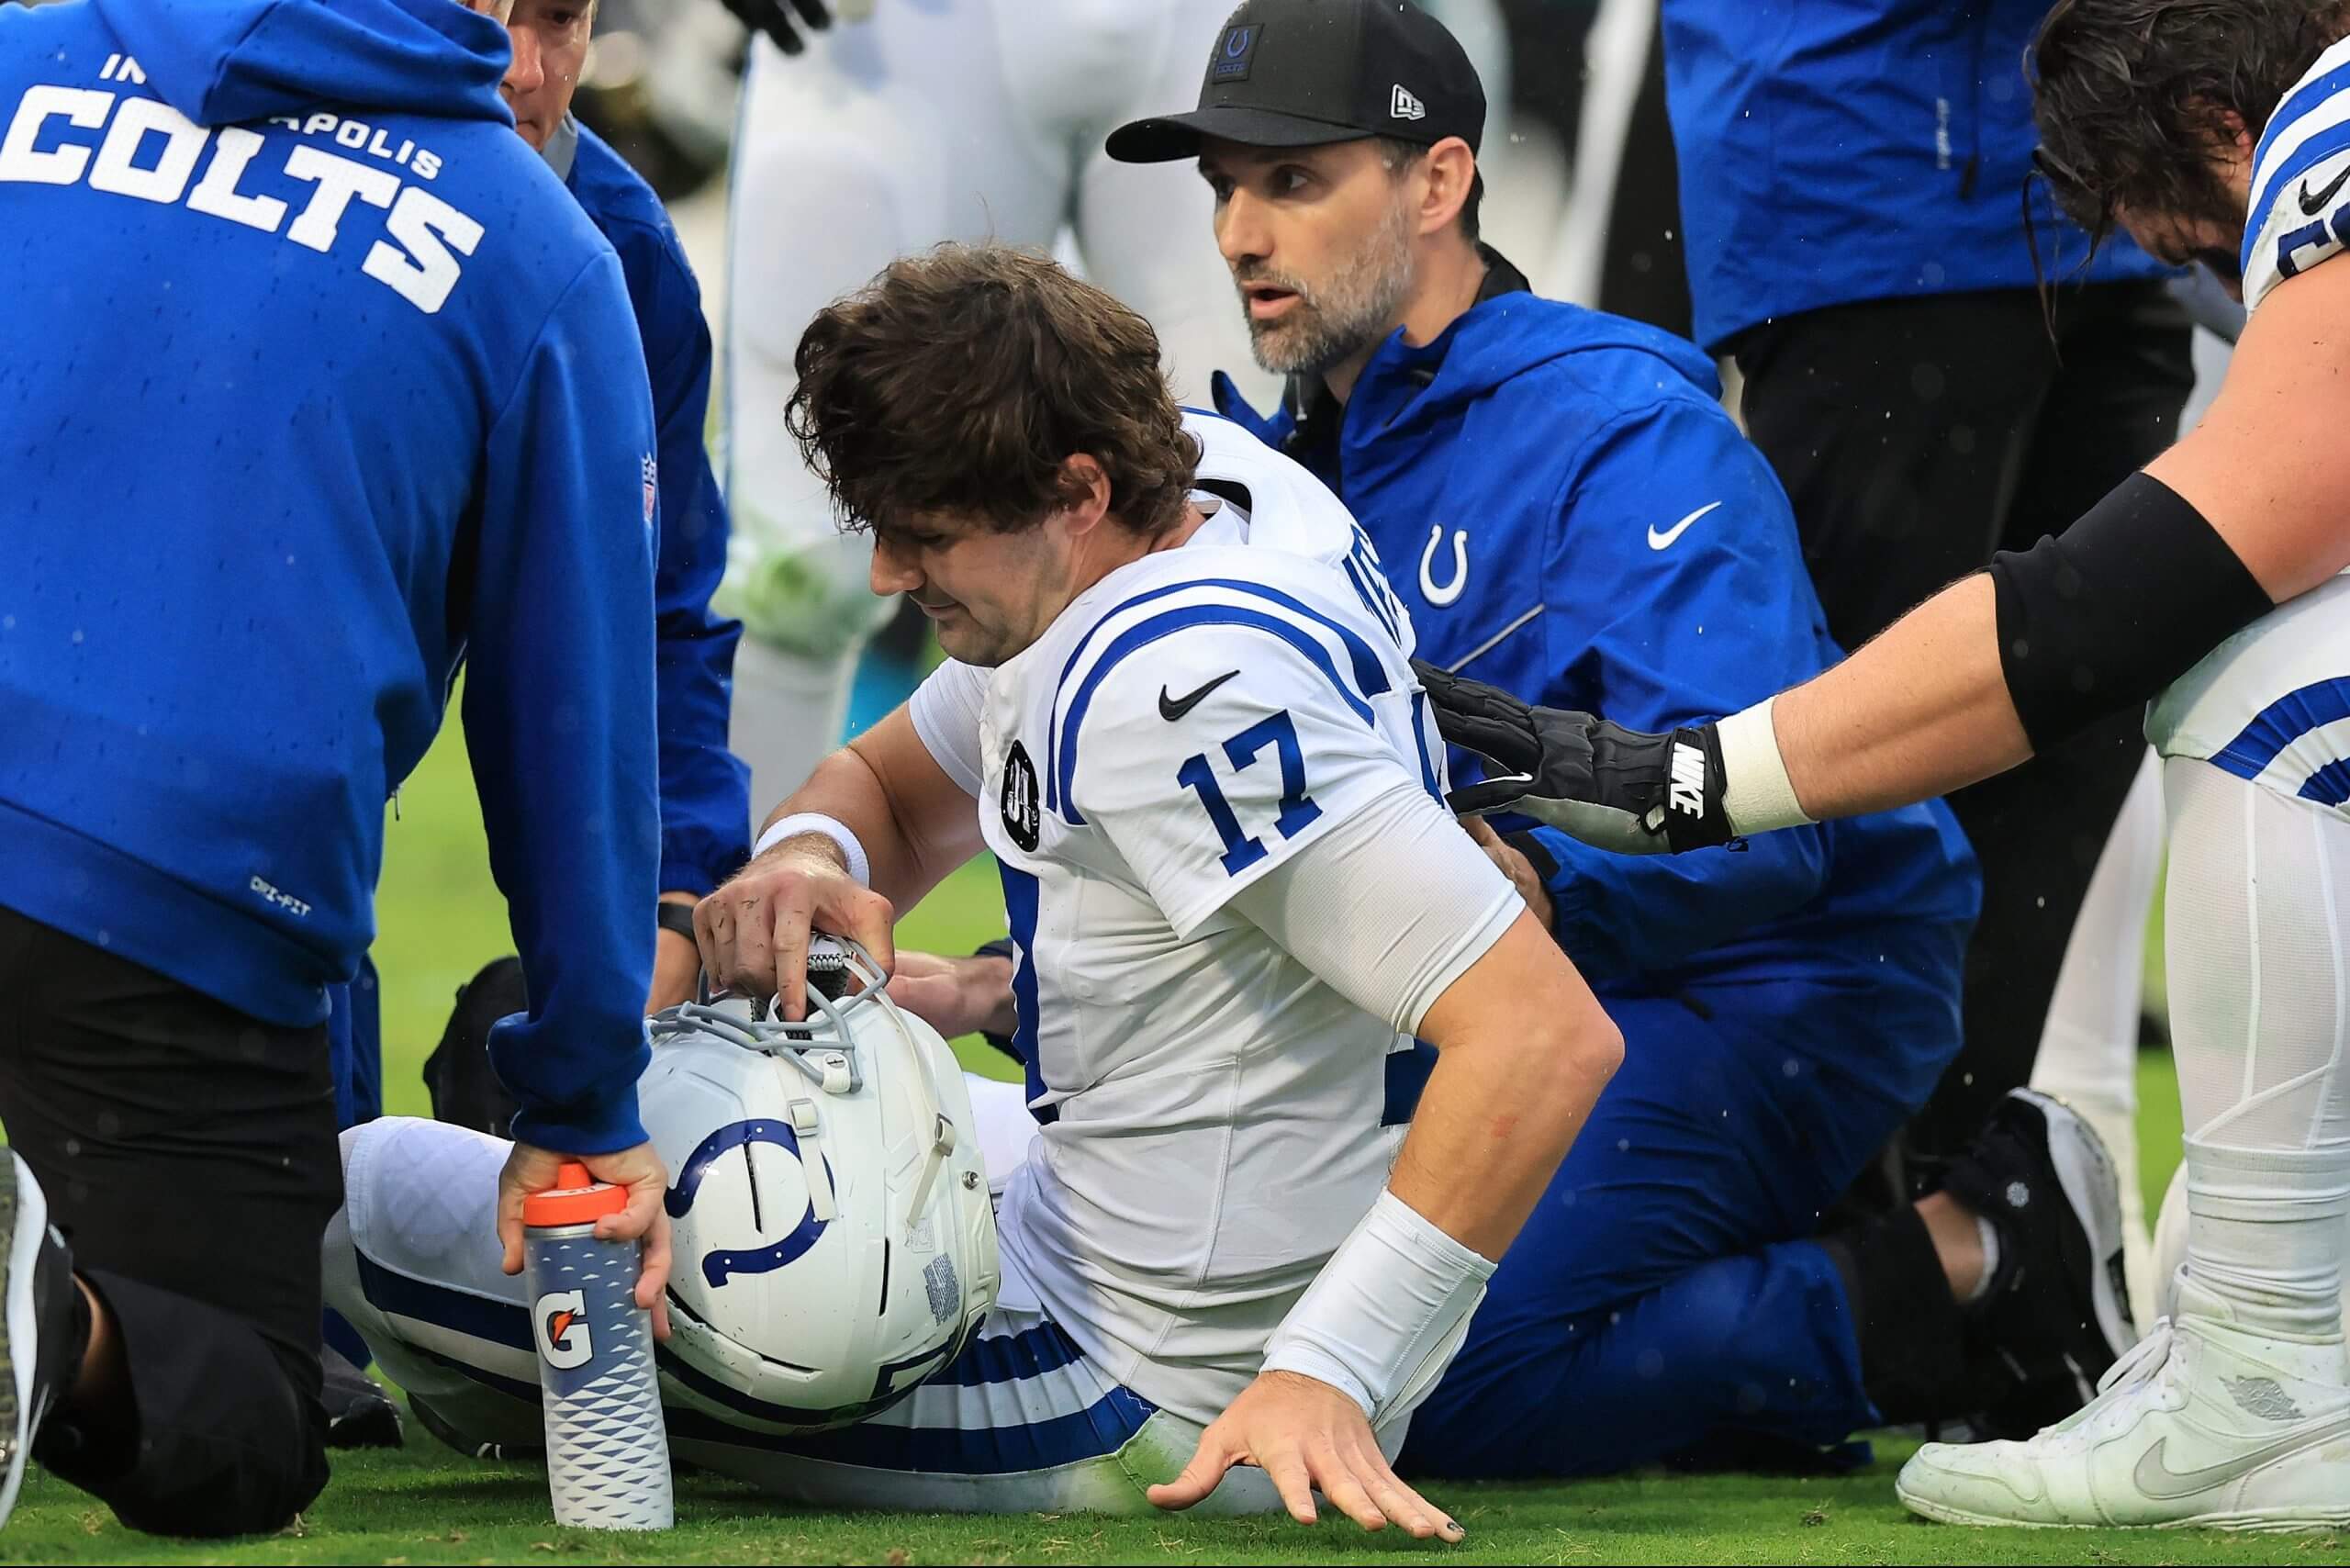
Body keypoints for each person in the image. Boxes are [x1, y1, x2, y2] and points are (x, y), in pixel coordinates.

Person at [340, 243, 1624, 1532]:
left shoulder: (1178, 686)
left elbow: (1540, 1037)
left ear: (1075, 489)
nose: (892, 577)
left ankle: (487, 1394)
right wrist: (804, 864)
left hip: (1153, 1383)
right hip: (1129, 1209)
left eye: (928, 536)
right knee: (591, 1055)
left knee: (356, 1199)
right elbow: (898, 793)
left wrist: (1326, 1373)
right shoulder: (1190, 488)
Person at [1098, 0, 2129, 1472]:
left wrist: (1537, 892)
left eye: (1294, 181)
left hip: (1785, 969)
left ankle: (1981, 1258)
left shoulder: (1616, 419)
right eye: (1224, 190)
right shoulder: (1268, 470)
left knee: (1420, 1377)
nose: (1239, 237)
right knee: (1232, 1318)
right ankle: (1710, 1320)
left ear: (1438, 183)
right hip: (1520, 985)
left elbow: (1774, 841)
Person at [1417, 0, 2350, 1527]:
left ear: (2219, 138)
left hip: (1868, 188)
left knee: (2262, 694)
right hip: (1860, 183)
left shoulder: (2317, 134)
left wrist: (1696, 778)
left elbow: (2126, 590)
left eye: (2195, 244)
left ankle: (2258, 1377)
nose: (2210, 282)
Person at [0, 0, 672, 1535]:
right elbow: (570, 736)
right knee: (245, 1420)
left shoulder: (15, 57)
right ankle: (39, 1314)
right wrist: (579, 1099)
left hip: (145, 869)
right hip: (160, 888)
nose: (522, 49)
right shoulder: (545, 249)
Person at [1656, 0, 2192, 1217]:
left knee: (2085, 735)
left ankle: (1964, 1249)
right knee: (1840, 766)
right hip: (1873, 190)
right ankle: (1811, 1258)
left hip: (2111, 193)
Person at [319, 0, 755, 1441]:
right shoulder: (272, 165)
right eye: (478, 12)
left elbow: (663, 620)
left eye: (561, 16)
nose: (522, 65)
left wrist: (678, 903)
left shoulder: (622, 259)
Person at [717, 0, 1282, 818]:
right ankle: (741, 924)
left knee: (1236, 498)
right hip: (900, 35)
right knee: (796, 572)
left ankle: (1187, 927)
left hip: (1198, 26)